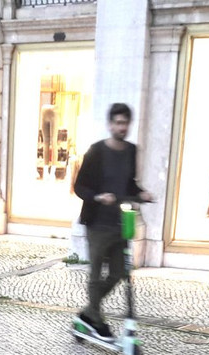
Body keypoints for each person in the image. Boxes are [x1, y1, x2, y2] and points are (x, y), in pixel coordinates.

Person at [73, 103, 154, 339]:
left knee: (119, 272)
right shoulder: (96, 151)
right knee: (95, 274)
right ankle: (97, 321)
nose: (122, 127)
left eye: (125, 123)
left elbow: (129, 183)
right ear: (110, 124)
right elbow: (79, 186)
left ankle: (88, 313)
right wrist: (98, 196)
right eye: (118, 123)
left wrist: (141, 193)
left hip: (121, 222)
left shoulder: (131, 150)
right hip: (97, 222)